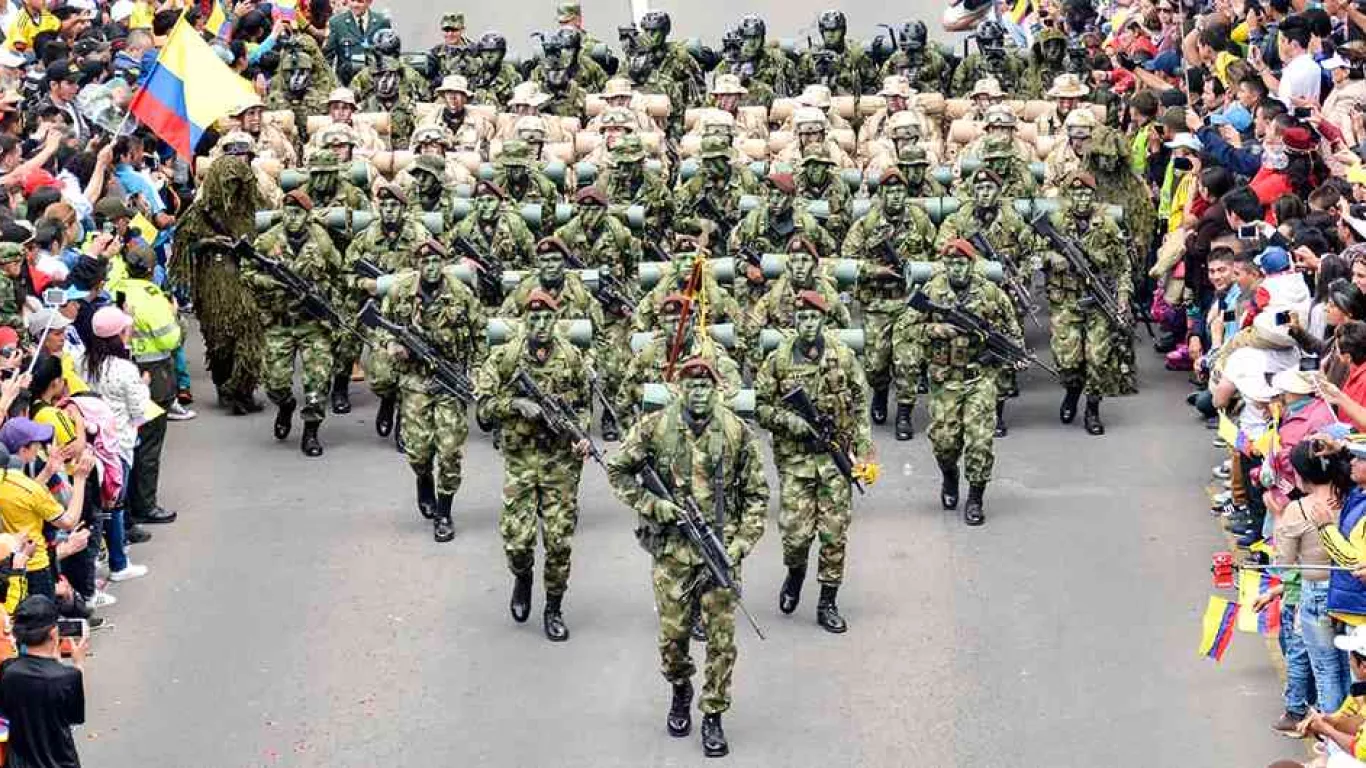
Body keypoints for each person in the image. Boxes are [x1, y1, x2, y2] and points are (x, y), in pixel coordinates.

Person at [606, 356, 769, 758]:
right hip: (673, 553)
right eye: (691, 385)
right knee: (673, 640)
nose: (699, 392)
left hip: (719, 553)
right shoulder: (656, 427)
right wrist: (653, 506)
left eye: (706, 385)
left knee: (721, 642)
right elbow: (617, 469)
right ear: (680, 389)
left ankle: (713, 714)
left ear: (716, 389)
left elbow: (757, 497)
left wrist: (739, 545)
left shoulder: (735, 432)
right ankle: (680, 688)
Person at [474, 289, 591, 642]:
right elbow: (482, 409)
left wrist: (582, 436)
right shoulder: (506, 358)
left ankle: (553, 608)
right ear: (525, 320)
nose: (541, 324)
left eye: (547, 317)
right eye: (534, 318)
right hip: (521, 459)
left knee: (558, 542)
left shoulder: (572, 358)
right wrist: (516, 405)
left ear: (556, 320)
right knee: (517, 541)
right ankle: (523, 576)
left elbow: (585, 406)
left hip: (560, 464)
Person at [755, 290, 871, 632]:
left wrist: (863, 449)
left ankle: (827, 601)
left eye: (813, 317)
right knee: (794, 535)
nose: (807, 323)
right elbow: (761, 405)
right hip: (796, 462)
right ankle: (795, 574)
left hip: (835, 460)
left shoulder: (842, 355)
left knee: (834, 535)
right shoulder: (779, 358)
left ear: (823, 319)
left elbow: (861, 401)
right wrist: (793, 423)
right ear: (795, 320)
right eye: (801, 317)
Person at [901, 239, 1021, 526]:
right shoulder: (933, 290)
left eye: (962, 262)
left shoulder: (991, 293)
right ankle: (949, 475)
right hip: (945, 381)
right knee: (944, 443)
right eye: (951, 263)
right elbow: (905, 328)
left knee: (980, 443)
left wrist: (1007, 356)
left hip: (980, 378)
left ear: (971, 263)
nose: (956, 268)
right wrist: (936, 329)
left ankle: (976, 498)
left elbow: (1013, 333)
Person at [378, 240, 485, 543]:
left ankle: (444, 512)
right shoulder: (400, 292)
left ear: (444, 263)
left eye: (437, 261)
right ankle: (423, 479)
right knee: (417, 451)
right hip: (414, 383)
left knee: (450, 451)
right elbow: (380, 330)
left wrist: (476, 373)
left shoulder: (461, 295)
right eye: (425, 263)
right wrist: (392, 346)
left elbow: (479, 336)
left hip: (450, 381)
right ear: (418, 264)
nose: (431, 267)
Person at [246, 190, 341, 458]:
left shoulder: (322, 242)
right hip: (279, 323)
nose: (292, 218)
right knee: (274, 383)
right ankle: (286, 405)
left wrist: (328, 302)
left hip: (313, 324)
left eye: (298, 213)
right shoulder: (267, 240)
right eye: (288, 212)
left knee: (318, 380)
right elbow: (246, 271)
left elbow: (339, 272)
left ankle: (311, 431)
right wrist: (271, 282)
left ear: (308, 215)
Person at [0, 595, 86, 768]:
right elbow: (75, 716)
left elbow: (6, 712)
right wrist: (78, 665)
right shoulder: (68, 676)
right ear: (53, 633)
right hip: (59, 760)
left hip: (18, 762)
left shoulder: (7, 671)